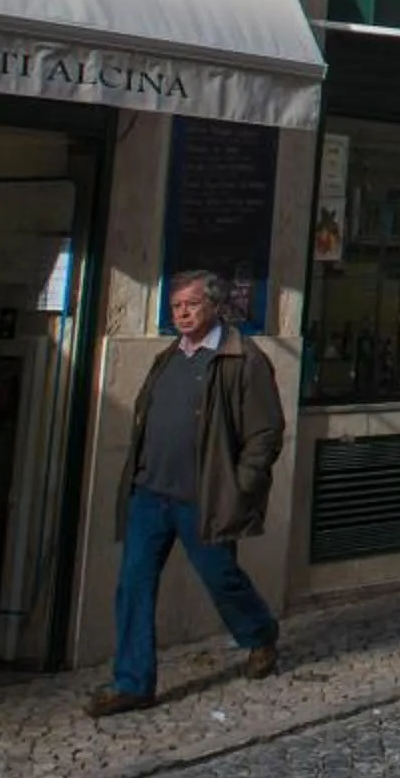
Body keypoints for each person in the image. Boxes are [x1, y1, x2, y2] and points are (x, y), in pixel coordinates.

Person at [88, 271, 286, 717]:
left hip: (204, 497)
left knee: (222, 578)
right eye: (176, 306)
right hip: (149, 493)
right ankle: (133, 682)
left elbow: (266, 431)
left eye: (191, 305)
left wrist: (240, 485)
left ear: (214, 306)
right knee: (134, 584)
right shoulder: (168, 357)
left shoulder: (241, 358)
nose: (182, 314)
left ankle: (259, 633)